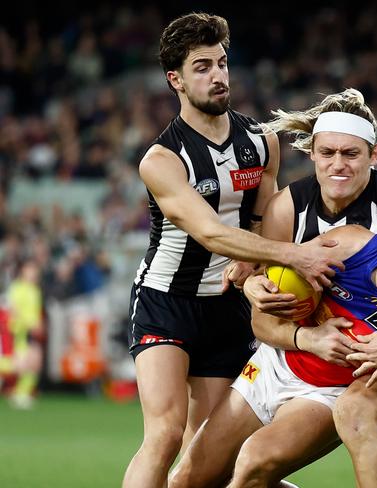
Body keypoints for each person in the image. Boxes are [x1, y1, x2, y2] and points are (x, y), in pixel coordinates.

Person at [122, 13, 343, 488]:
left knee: (208, 455)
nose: (218, 75)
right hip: (167, 301)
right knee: (163, 435)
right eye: (202, 67)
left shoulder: (261, 142)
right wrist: (292, 257)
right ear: (175, 79)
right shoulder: (162, 160)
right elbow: (210, 233)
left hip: (229, 307)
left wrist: (255, 264)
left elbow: (266, 217)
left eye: (222, 63)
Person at [218, 89, 377, 483]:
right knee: (193, 479)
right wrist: (254, 284)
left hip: (351, 376)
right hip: (286, 355)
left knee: (266, 457)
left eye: (351, 154)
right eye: (328, 153)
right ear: (312, 154)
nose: (338, 165)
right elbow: (266, 294)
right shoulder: (324, 227)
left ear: (373, 156)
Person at [169, 207, 377, 487]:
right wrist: (261, 288)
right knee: (186, 482)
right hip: (272, 366)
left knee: (253, 463)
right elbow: (263, 319)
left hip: (324, 396)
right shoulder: (351, 244)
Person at [0, 260, 44, 409]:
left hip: (30, 331)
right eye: (30, 269)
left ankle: (21, 394)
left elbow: (35, 312)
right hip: (17, 331)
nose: (33, 273)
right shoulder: (17, 288)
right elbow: (13, 309)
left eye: (34, 270)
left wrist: (38, 323)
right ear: (23, 271)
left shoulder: (35, 290)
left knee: (34, 361)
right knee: (16, 364)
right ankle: (19, 393)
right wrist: (29, 323)